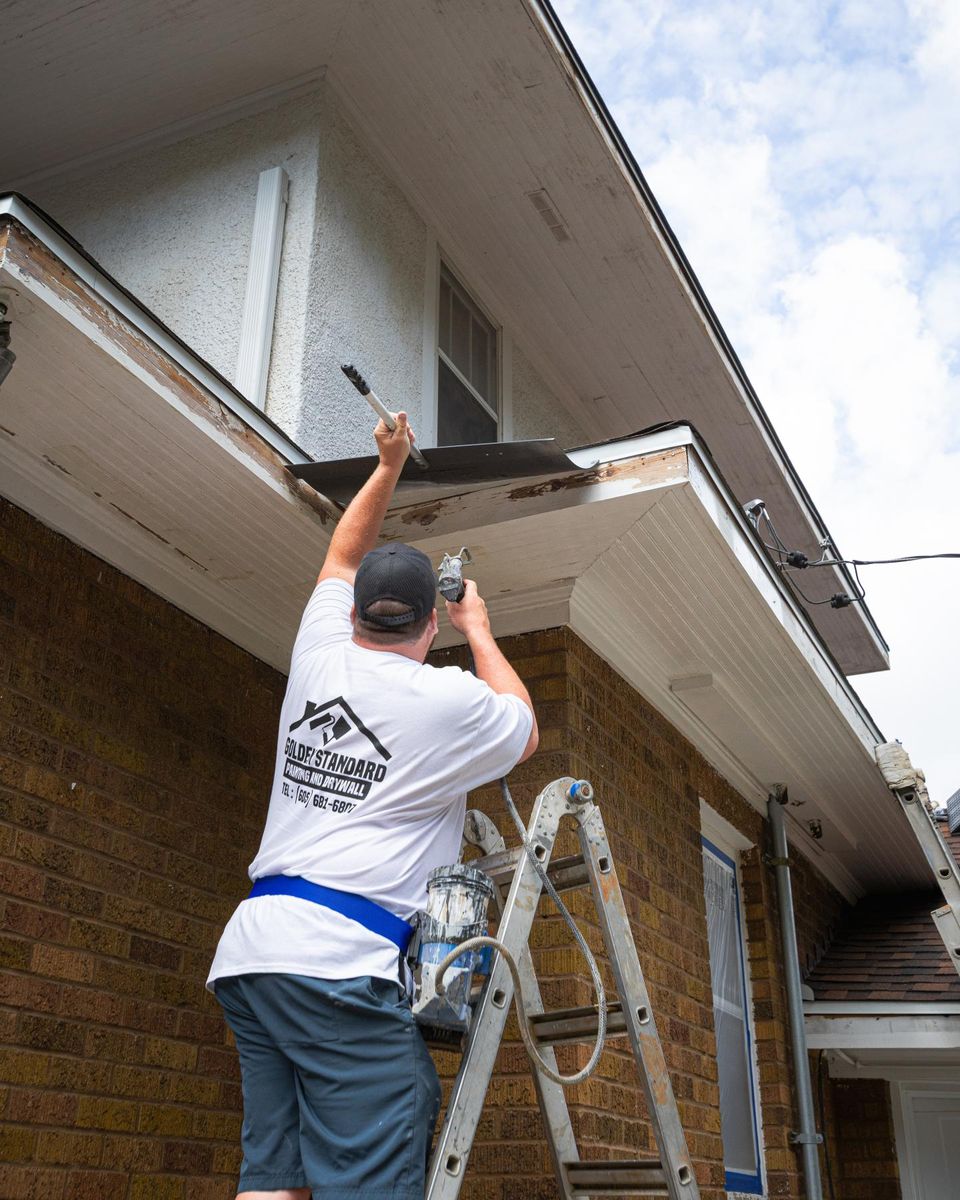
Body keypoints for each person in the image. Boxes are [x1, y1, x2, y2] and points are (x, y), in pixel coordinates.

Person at [206, 409, 538, 1200]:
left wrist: (387, 466)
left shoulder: (316, 655)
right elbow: (523, 728)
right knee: (392, 1130)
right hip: (337, 966)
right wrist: (481, 629)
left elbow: (340, 553)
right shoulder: (444, 699)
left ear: (354, 613)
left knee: (274, 1178)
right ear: (430, 624)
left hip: (254, 955)